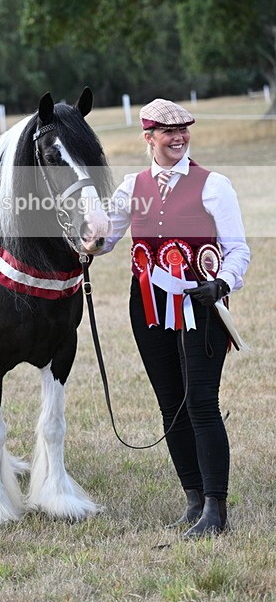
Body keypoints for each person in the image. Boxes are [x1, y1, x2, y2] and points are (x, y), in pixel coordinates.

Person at [98, 98, 250, 537]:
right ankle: (194, 499)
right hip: (146, 306)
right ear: (149, 138)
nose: (180, 137)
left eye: (185, 130)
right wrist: (86, 239)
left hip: (201, 305)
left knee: (201, 401)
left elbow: (238, 249)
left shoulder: (213, 185)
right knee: (171, 403)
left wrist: (221, 284)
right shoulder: (131, 187)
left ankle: (216, 511)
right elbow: (104, 239)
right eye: (170, 132)